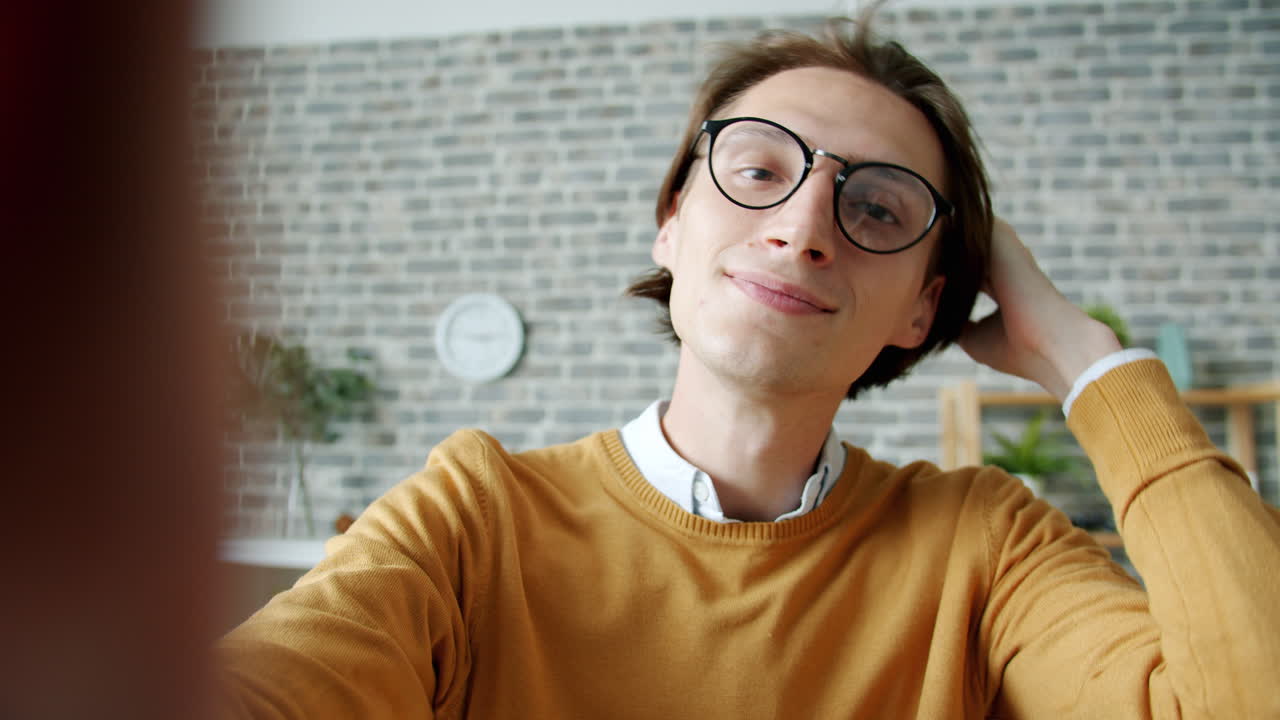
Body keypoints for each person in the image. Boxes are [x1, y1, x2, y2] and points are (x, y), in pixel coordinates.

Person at [217, 15, 1280, 719]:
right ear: (670, 222)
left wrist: (1081, 359)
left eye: (874, 208)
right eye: (758, 169)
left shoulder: (986, 547)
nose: (802, 227)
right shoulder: (470, 514)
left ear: (922, 305)